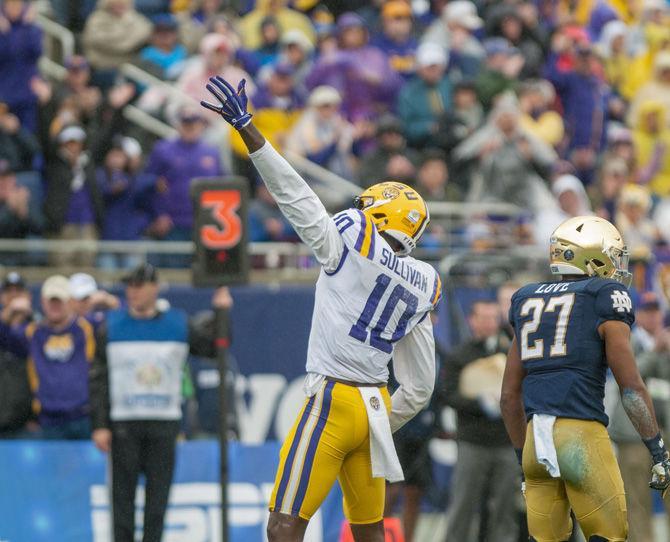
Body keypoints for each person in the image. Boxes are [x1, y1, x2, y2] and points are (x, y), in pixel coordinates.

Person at [201, 76, 440, 542]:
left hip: (333, 399)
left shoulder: (354, 234)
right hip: (375, 404)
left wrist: (250, 132)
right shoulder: (424, 280)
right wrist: (380, 419)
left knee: (284, 526)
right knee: (369, 531)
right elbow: (420, 386)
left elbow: (297, 198)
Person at [500, 215, 670, 541]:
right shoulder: (602, 294)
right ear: (591, 257)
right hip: (580, 434)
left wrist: (523, 459)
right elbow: (631, 387)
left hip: (535, 439)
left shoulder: (526, 299)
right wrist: (659, 450)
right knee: (609, 535)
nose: (617, 264)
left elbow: (509, 397)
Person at [89, 263, 231, 542]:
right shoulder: (112, 326)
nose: (133, 292)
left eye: (139, 285)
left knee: (158, 501)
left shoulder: (177, 323)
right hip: (124, 424)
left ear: (155, 287)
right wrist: (100, 424)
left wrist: (221, 311)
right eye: (129, 286)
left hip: (163, 423)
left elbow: (216, 348)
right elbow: (99, 378)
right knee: (122, 501)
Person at [439, 300, 520, 542]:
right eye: (482, 317)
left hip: (505, 442)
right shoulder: (459, 355)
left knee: (504, 507)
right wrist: (480, 404)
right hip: (472, 442)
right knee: (463, 504)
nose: (488, 323)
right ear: (472, 320)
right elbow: (449, 394)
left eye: (492, 318)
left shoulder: (511, 354)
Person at [0, 275, 97, 439]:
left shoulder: (87, 328)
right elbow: (3, 336)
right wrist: (9, 312)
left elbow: (123, 318)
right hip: (47, 421)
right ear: (43, 302)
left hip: (83, 417)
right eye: (51, 301)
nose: (55, 306)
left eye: (59, 301)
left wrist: (109, 301)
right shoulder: (32, 332)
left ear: (70, 302)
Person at [607, 291, 670, 542]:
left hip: (665, 430)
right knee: (636, 499)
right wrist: (655, 350)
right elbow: (630, 378)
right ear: (637, 314)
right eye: (647, 312)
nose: (652, 317)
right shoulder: (627, 339)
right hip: (634, 434)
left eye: (656, 312)